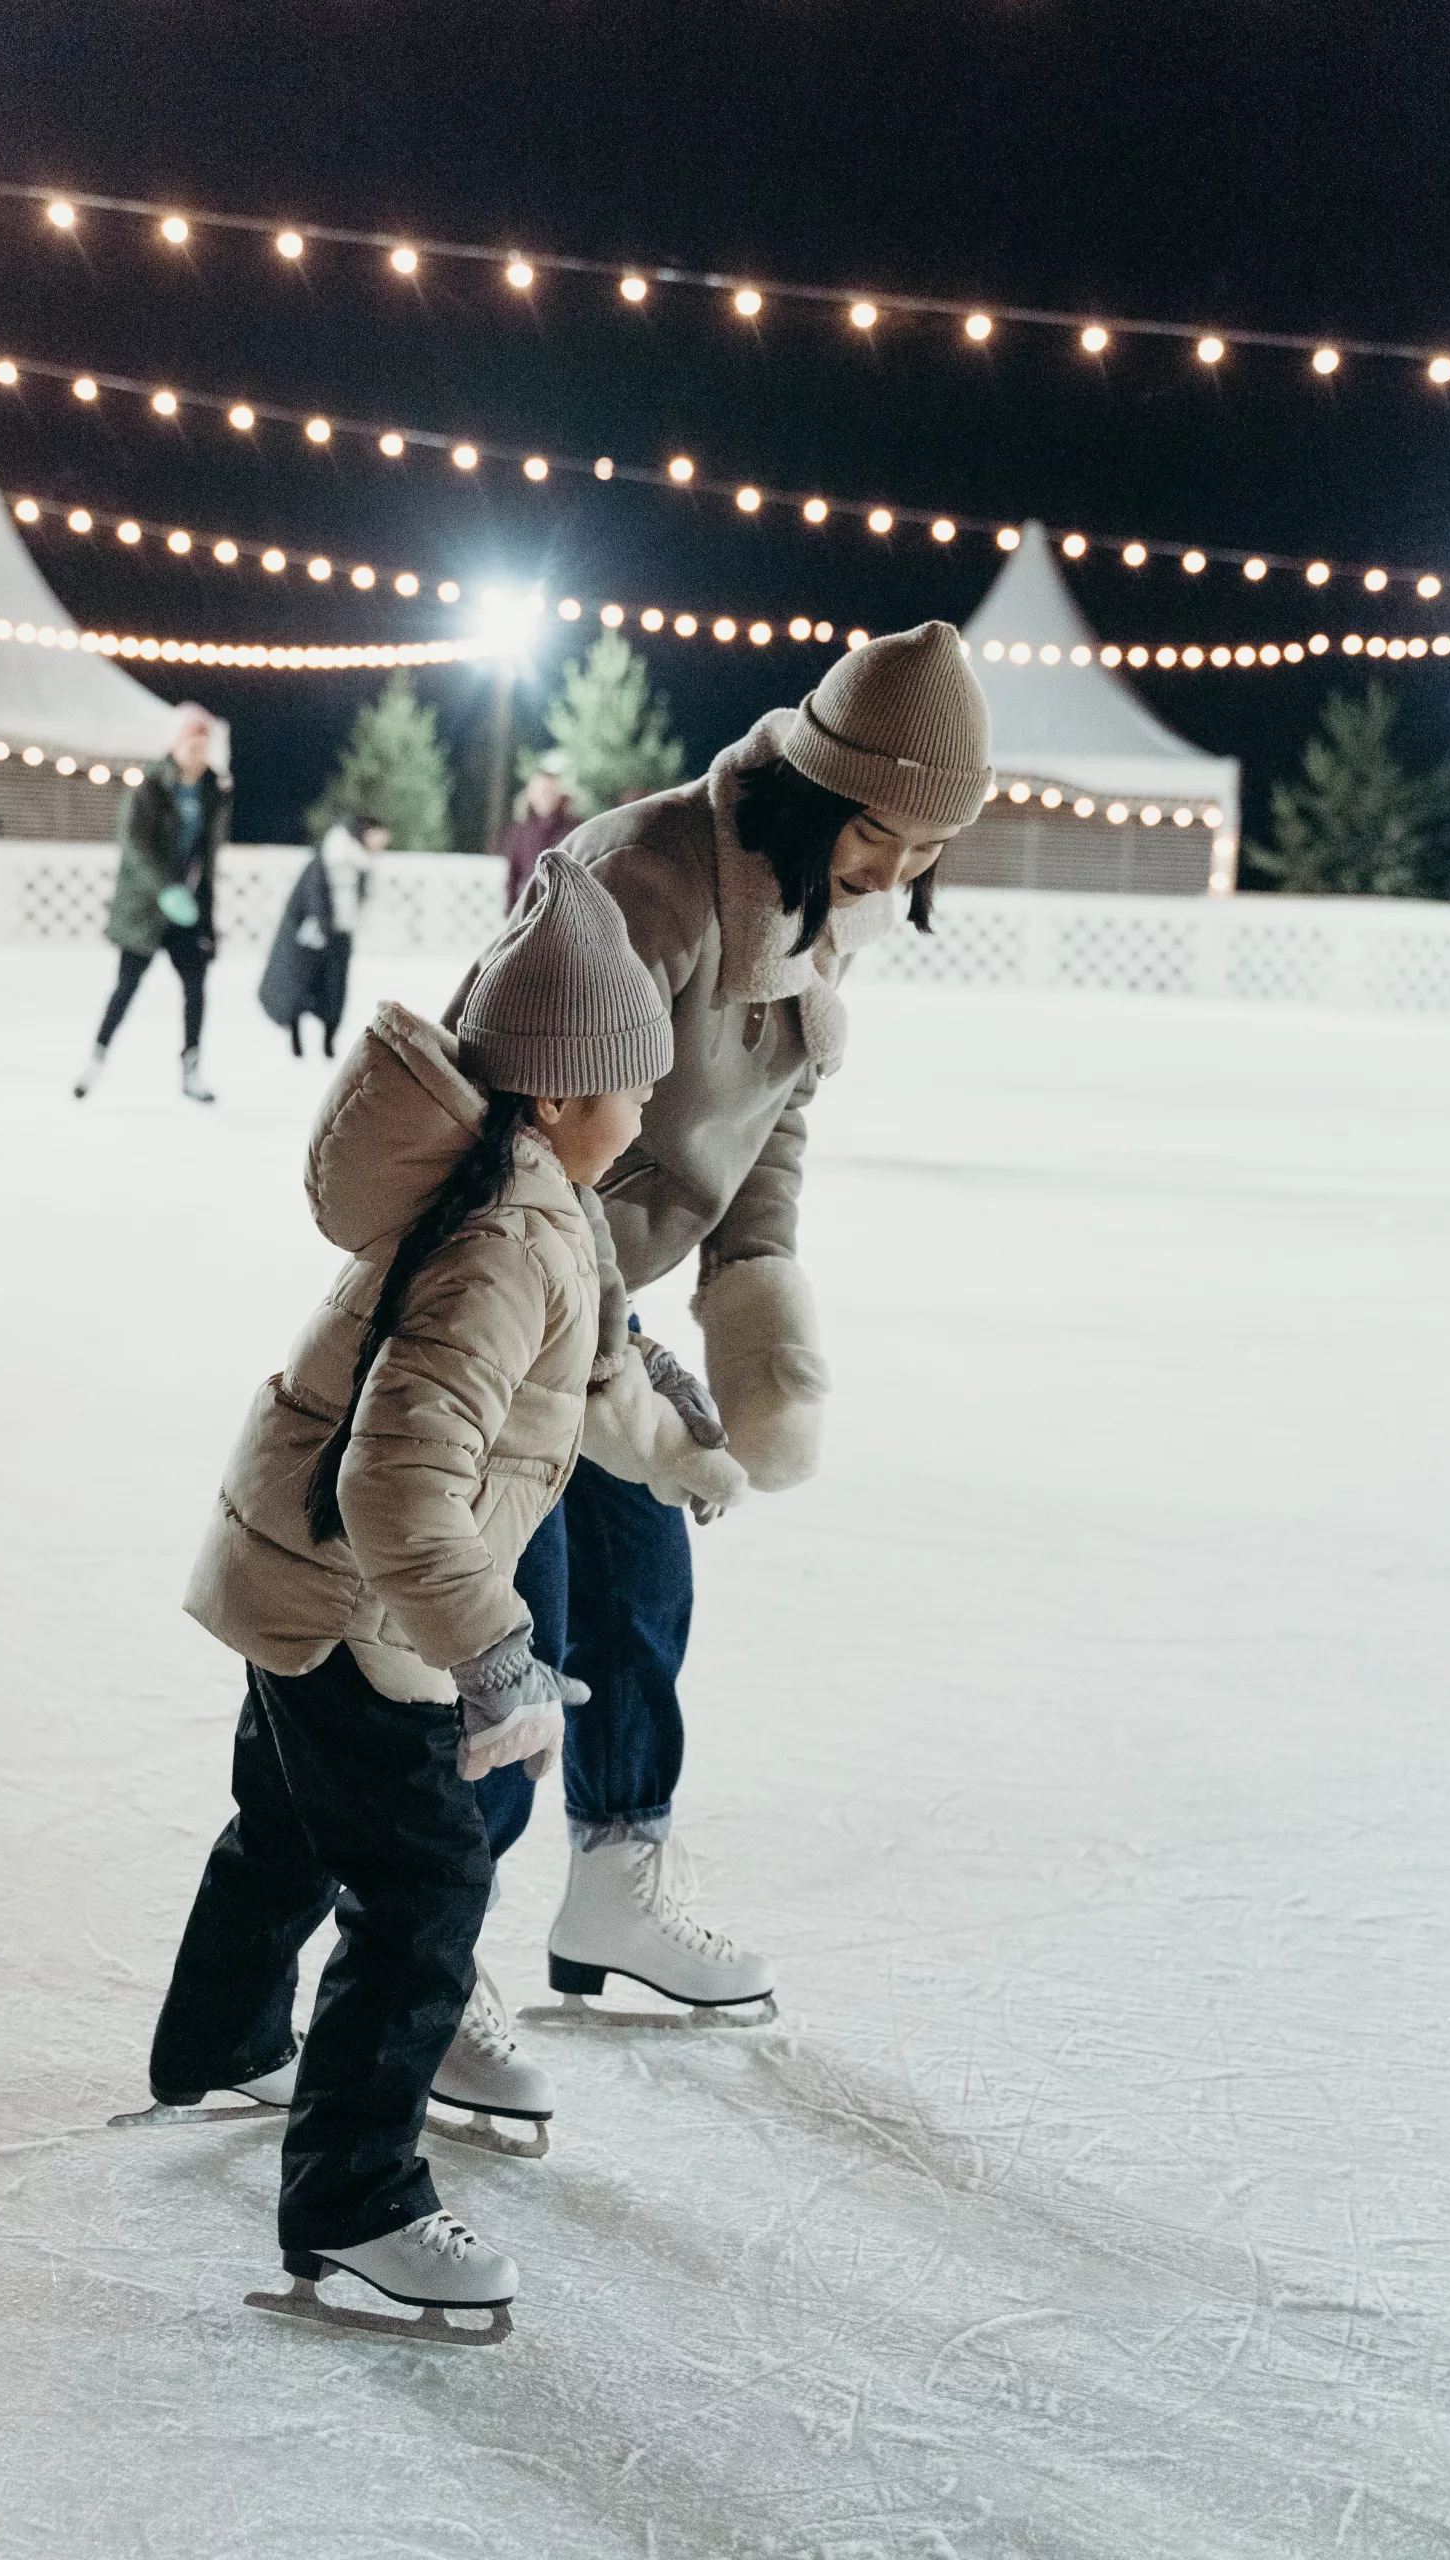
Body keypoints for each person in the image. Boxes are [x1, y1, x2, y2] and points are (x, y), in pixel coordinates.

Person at [140, 853, 674, 2340]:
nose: (648, 1107)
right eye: (633, 1081)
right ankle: (356, 2202)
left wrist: (674, 1434)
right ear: (558, 1095)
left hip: (292, 1567)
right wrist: (496, 1653)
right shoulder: (509, 1240)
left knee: (289, 1826)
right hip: (347, 1601)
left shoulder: (516, 1199)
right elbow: (396, 1486)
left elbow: (555, 1386)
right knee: (427, 1881)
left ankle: (222, 2040)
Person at [444, 623, 994, 2049]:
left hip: (601, 1311)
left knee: (640, 1602)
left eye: (929, 850)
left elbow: (772, 1119)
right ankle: (422, 1955)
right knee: (506, 1640)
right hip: (497, 1304)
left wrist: (755, 1292)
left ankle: (613, 1886)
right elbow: (511, 1116)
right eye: (881, 835)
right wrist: (592, 1359)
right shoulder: (647, 882)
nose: (898, 873)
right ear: (818, 788)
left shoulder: (814, 909)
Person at [73, 704, 228, 1102]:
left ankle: (191, 1069)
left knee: (196, 987)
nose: (198, 754)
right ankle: (96, 1060)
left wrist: (204, 912)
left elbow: (207, 854)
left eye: (204, 746)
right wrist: (164, 890)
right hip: (145, 906)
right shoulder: (149, 787)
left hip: (188, 909)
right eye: (192, 745)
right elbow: (135, 845)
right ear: (175, 745)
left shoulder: (214, 790)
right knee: (126, 986)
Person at [256, 821, 374, 1059]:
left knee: (333, 992)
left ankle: (328, 1043)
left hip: (340, 935)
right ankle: (296, 1041)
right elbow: (313, 895)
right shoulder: (328, 858)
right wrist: (322, 923)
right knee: (299, 989)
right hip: (311, 938)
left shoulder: (363, 864)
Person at [498, 760, 574, 911]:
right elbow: (512, 875)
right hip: (528, 904)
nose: (547, 796)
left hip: (562, 905)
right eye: (542, 791)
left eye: (551, 791)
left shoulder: (572, 828)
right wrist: (511, 911)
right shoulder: (519, 831)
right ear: (531, 794)